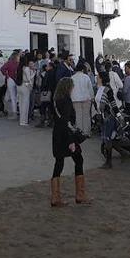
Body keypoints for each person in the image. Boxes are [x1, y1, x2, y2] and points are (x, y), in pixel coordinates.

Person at [49, 77, 88, 206]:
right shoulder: (66, 101)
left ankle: (55, 197)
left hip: (57, 134)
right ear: (68, 87)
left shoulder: (55, 100)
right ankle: (80, 195)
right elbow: (68, 121)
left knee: (59, 163)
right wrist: (71, 140)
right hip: (67, 135)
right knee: (79, 160)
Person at [70, 62, 95, 131]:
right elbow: (90, 88)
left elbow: (71, 89)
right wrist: (92, 97)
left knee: (78, 116)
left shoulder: (72, 78)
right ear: (83, 70)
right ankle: (86, 132)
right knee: (86, 116)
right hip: (86, 99)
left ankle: (79, 131)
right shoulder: (86, 77)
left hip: (75, 99)